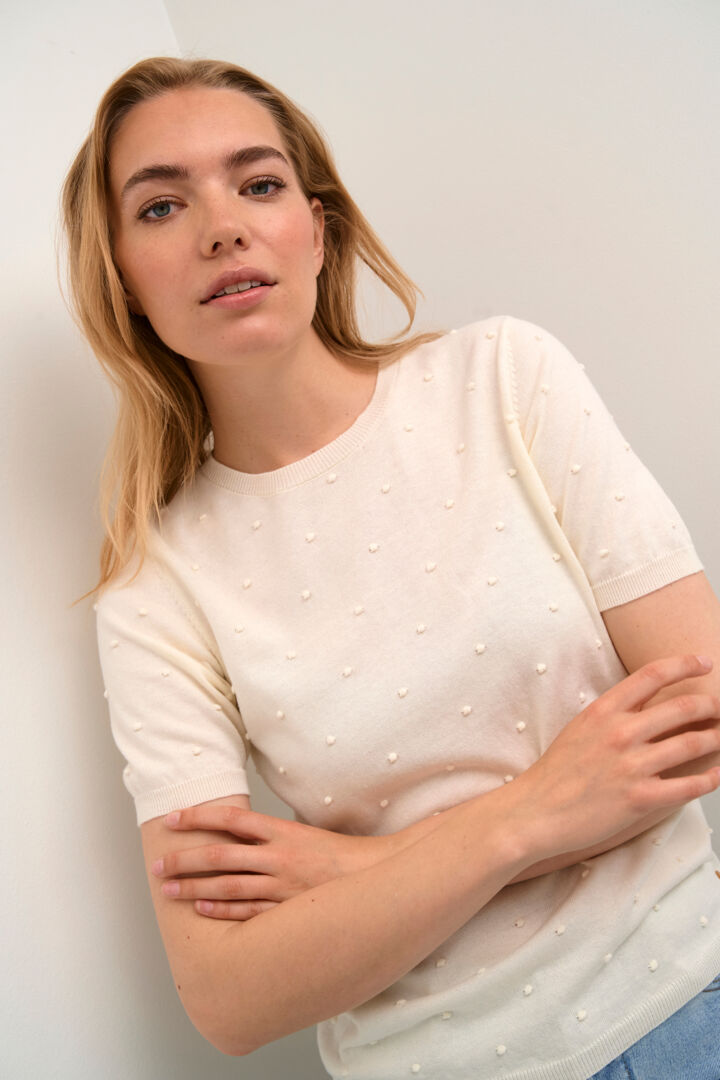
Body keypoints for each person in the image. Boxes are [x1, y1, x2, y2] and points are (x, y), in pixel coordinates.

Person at [62, 56, 720, 1080]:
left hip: (692, 1006)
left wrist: (357, 870)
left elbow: (701, 715)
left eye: (259, 183)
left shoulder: (503, 378)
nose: (222, 228)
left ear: (317, 230)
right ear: (122, 279)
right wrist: (529, 817)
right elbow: (229, 997)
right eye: (160, 206)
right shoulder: (155, 586)